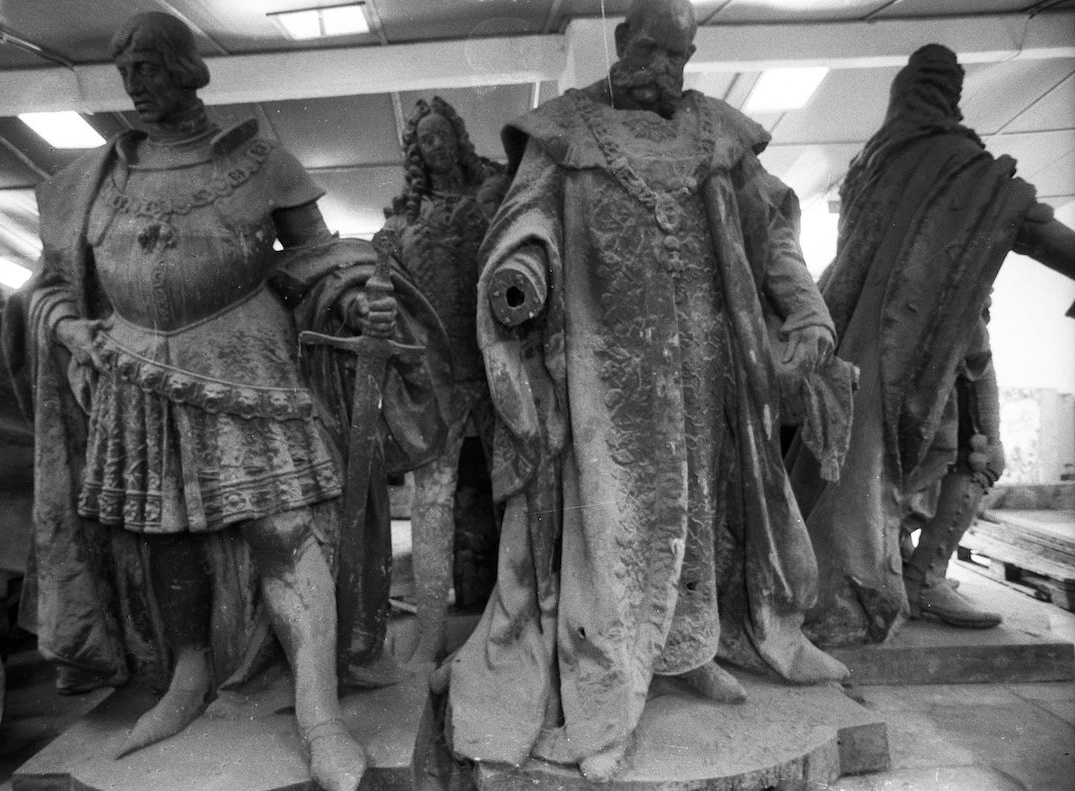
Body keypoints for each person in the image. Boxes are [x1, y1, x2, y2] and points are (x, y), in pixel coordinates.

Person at [1, 13, 443, 791]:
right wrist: (72, 332)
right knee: (162, 535)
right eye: (124, 68)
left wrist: (356, 303)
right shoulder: (87, 182)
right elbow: (47, 288)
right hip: (136, 375)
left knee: (281, 531)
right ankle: (185, 679)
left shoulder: (262, 162)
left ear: (187, 69)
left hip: (245, 366)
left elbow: (321, 259)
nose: (135, 83)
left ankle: (319, 714)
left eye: (148, 65)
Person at [444, 0, 849, 781]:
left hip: (705, 358)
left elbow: (773, 230)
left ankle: (688, 650)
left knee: (698, 510)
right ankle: (607, 687)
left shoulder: (718, 133)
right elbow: (524, 223)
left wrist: (805, 308)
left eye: (681, 56)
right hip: (606, 364)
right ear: (623, 41)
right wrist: (520, 276)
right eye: (655, 51)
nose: (667, 70)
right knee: (613, 522)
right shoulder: (566, 130)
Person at [787, 44, 1075, 646]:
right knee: (971, 452)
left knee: (934, 456)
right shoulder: (958, 162)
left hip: (884, 342)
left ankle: (914, 573)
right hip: (937, 346)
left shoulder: (874, 162)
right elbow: (1028, 224)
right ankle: (918, 576)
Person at [375, 96, 509, 666]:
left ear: (457, 137)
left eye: (441, 135)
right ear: (416, 155)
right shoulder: (402, 223)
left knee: (518, 491)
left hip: (495, 367)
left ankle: (519, 615)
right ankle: (430, 629)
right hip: (439, 377)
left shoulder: (496, 198)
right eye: (423, 141)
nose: (435, 147)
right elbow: (385, 291)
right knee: (431, 502)